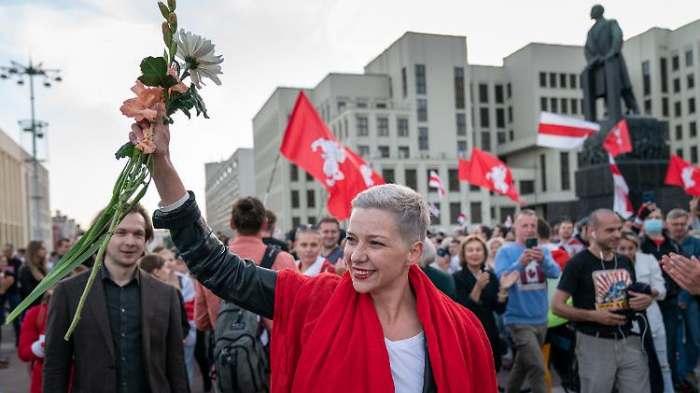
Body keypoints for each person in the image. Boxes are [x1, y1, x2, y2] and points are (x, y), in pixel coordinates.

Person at [139, 114, 497, 392]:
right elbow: (220, 269)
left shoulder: (462, 329)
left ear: (413, 252)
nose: (356, 255)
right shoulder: (314, 300)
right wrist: (162, 165)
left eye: (375, 243)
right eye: (351, 238)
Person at [43, 204, 188, 393]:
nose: (130, 241)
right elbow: (55, 364)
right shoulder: (69, 293)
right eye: (120, 233)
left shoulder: (166, 295)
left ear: (146, 241)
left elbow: (175, 363)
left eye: (138, 234)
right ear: (102, 238)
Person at [551, 209, 653, 393]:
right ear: (592, 231)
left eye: (618, 229)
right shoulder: (577, 263)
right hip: (594, 343)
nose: (617, 235)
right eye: (610, 230)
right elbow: (557, 306)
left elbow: (631, 295)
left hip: (628, 340)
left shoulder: (624, 261)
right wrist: (593, 316)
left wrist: (644, 300)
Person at [193, 196, 297, 333]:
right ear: (265, 223)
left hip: (226, 348)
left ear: (232, 224)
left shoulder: (211, 262)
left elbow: (201, 321)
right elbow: (296, 314)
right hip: (271, 348)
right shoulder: (284, 260)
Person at [494, 210, 561, 393]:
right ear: (515, 228)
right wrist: (521, 263)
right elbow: (503, 279)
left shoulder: (543, 250)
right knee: (538, 368)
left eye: (533, 225)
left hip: (541, 318)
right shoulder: (505, 251)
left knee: (523, 364)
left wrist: (543, 261)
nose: (530, 229)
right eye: (525, 225)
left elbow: (555, 272)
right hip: (518, 320)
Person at [617, 232, 673, 393]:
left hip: (653, 322)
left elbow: (662, 289)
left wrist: (649, 293)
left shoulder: (648, 260)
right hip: (627, 327)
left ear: (637, 247)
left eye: (630, 248)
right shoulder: (611, 263)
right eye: (622, 248)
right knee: (635, 371)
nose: (627, 252)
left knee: (663, 366)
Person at [453, 235, 518, 371]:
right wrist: (478, 287)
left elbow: (499, 309)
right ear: (464, 254)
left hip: (489, 334)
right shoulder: (457, 278)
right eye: (470, 250)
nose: (475, 253)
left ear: (484, 253)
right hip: (468, 336)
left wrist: (503, 290)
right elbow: (464, 311)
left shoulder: (490, 276)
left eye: (478, 250)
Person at [639, 207, 684, 389]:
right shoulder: (641, 245)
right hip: (647, 305)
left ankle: (671, 384)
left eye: (658, 217)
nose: (654, 221)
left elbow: (682, 271)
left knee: (670, 346)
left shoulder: (672, 245)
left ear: (664, 222)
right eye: (650, 218)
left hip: (670, 302)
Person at [666, 209, 700, 384]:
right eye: (675, 224)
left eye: (682, 224)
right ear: (667, 224)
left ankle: (689, 370)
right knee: (676, 339)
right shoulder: (664, 244)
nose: (679, 228)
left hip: (693, 299)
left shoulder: (696, 243)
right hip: (670, 299)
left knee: (695, 337)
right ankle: (679, 375)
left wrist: (685, 297)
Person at [156, 249, 197, 388]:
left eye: (171, 259)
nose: (168, 263)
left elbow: (191, 311)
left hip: (186, 335)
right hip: (162, 337)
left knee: (186, 366)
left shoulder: (185, 281)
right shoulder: (153, 283)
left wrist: (186, 334)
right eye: (164, 260)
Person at [17, 289, 54, 393]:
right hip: (43, 381)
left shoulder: (85, 311)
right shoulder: (37, 313)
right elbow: (23, 352)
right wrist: (42, 346)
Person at [19, 240, 49, 309]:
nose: (46, 251)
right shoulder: (25, 270)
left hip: (45, 306)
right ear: (35, 250)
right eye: (43, 249)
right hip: (33, 308)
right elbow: (28, 293)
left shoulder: (43, 268)